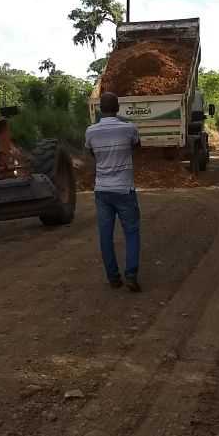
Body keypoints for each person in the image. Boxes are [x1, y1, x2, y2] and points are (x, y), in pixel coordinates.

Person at [85, 91, 141, 292]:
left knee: (105, 236)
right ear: (118, 108)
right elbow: (136, 147)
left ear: (100, 109)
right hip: (125, 190)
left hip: (102, 190)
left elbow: (92, 153)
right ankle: (131, 275)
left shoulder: (90, 131)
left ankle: (113, 278)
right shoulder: (129, 129)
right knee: (132, 232)